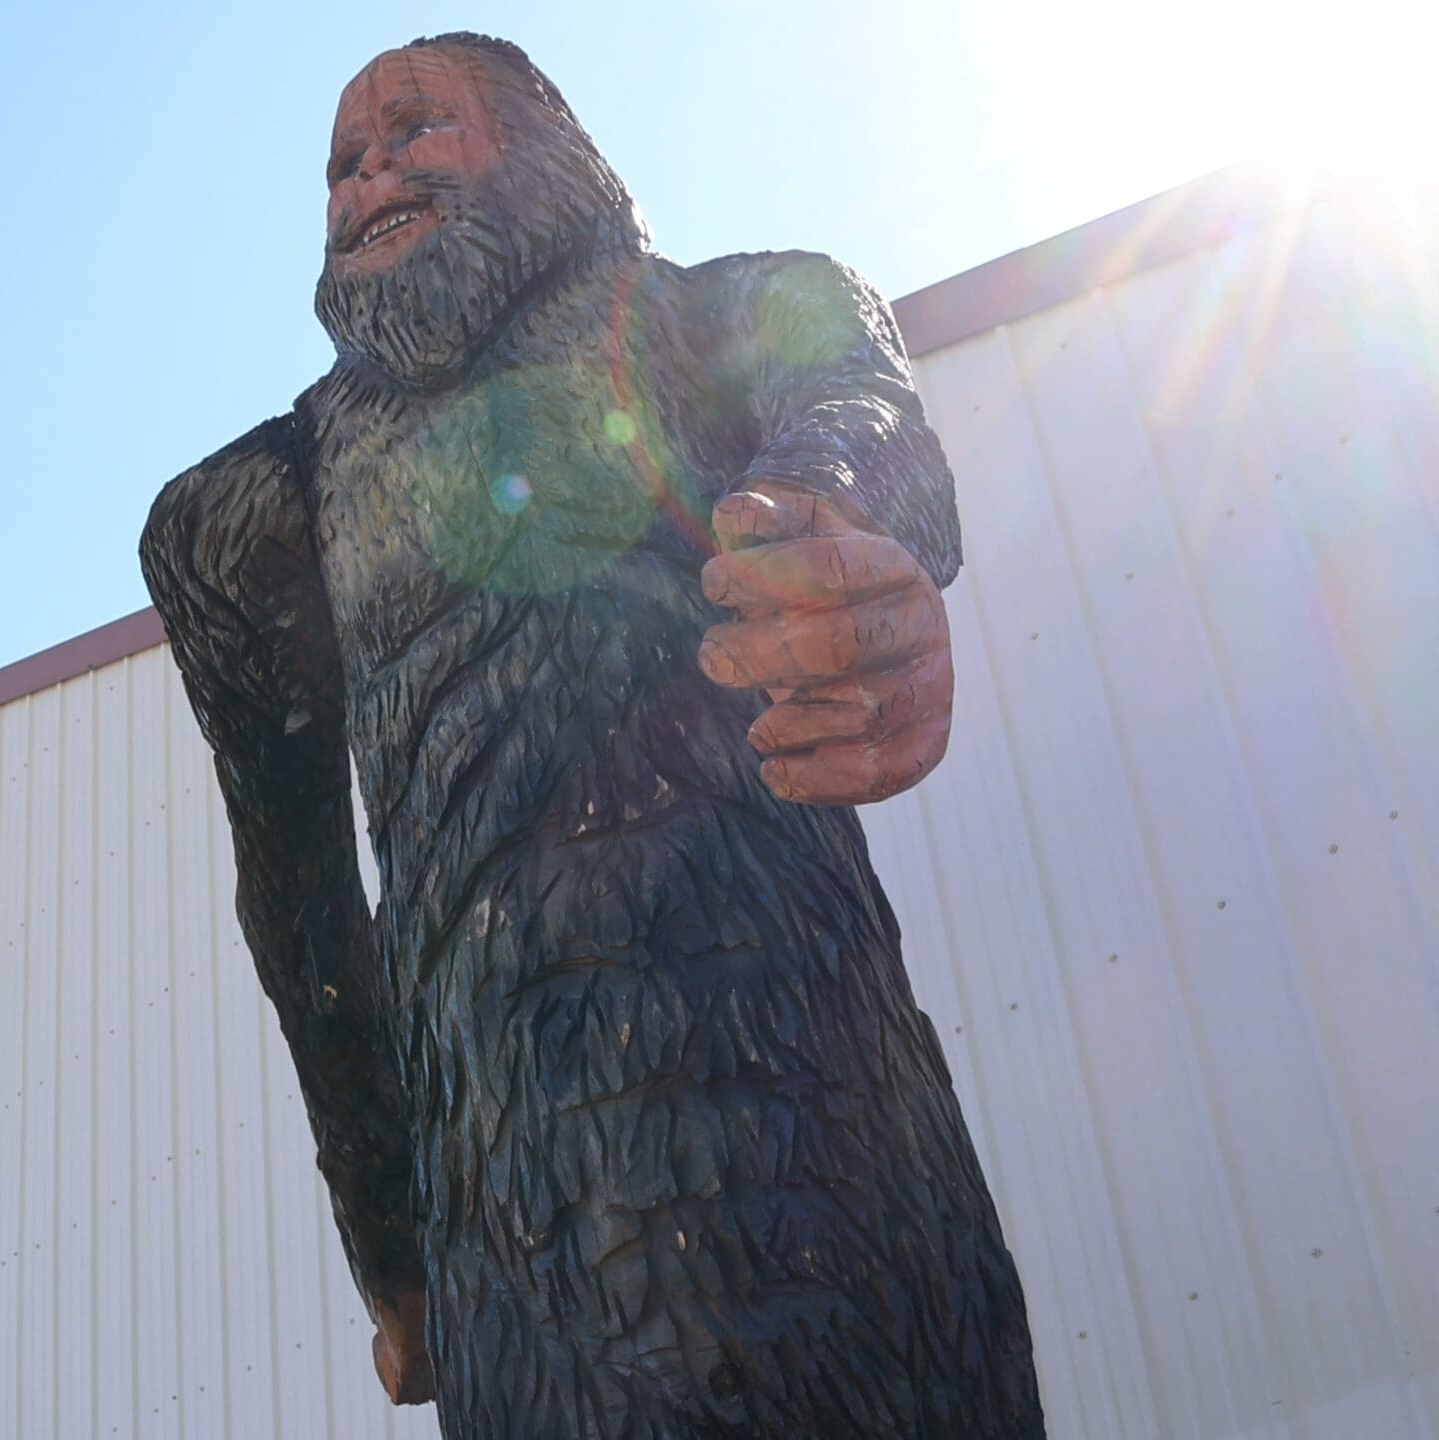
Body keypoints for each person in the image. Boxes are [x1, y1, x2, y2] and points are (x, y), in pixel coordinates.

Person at [140, 34, 1043, 1439]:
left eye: (414, 128)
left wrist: (837, 541)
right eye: (339, 162)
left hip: (836, 1146)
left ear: (545, 143)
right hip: (513, 1230)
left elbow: (860, 419)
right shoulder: (258, 509)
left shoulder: (717, 314)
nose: (366, 171)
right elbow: (302, 907)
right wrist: (391, 1244)